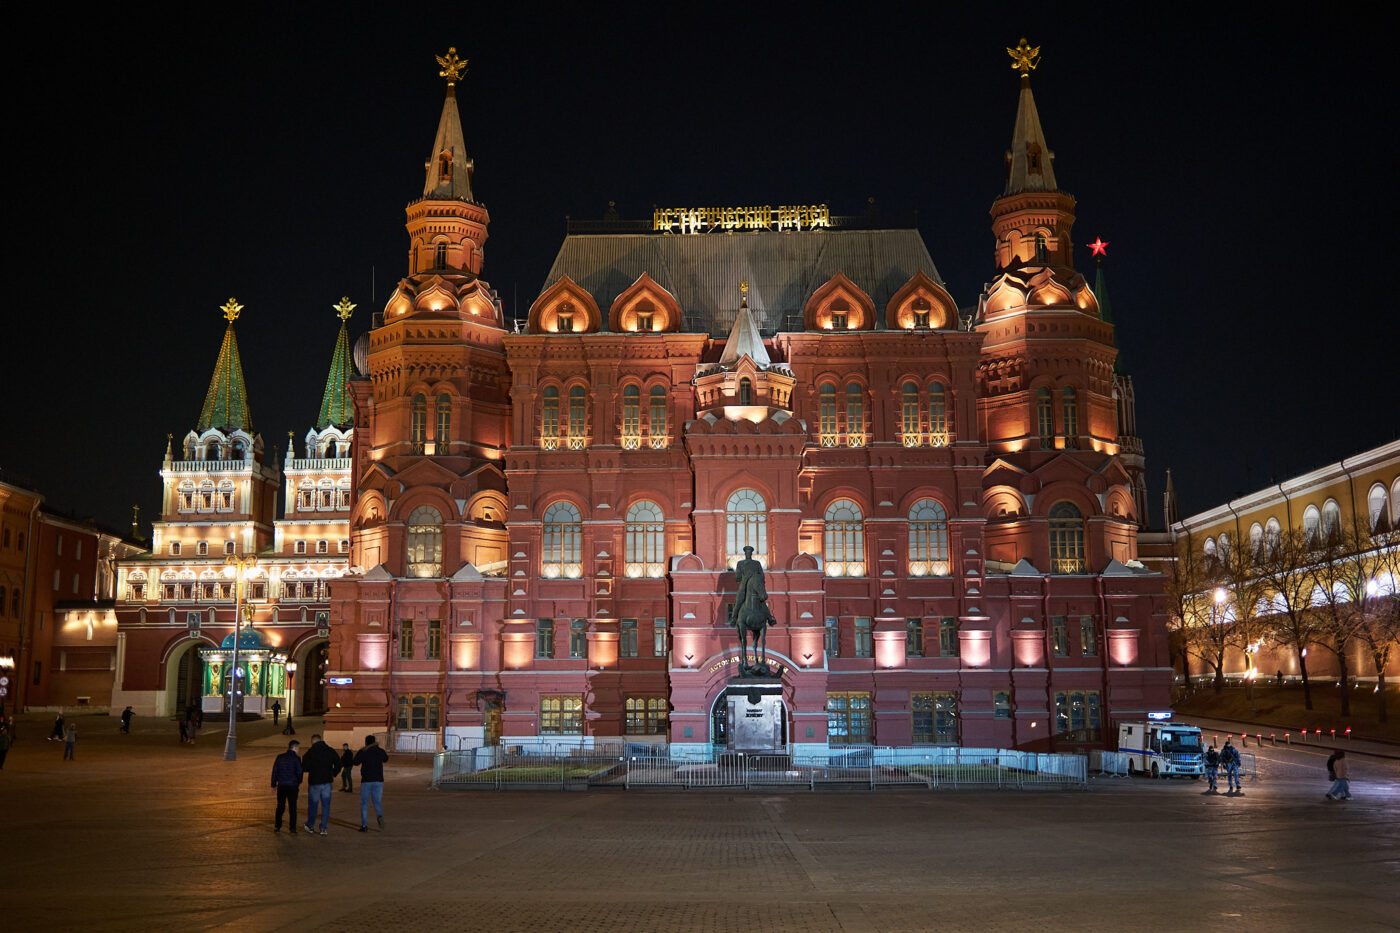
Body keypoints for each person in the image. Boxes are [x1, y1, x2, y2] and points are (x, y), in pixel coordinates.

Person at [300, 733, 342, 836]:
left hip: (315, 782)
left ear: (313, 742)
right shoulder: (330, 750)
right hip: (327, 782)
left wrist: (312, 768)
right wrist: (333, 773)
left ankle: (310, 825)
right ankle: (323, 828)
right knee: (326, 806)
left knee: (313, 805)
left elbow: (304, 767)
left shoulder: (310, 752)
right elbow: (339, 763)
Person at [353, 735, 389, 831]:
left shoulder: (363, 751)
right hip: (378, 780)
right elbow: (386, 759)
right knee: (377, 802)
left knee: (364, 804)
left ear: (366, 742)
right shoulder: (379, 750)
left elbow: (355, 762)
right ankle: (379, 816)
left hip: (366, 780)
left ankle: (364, 826)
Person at [271, 739, 303, 833]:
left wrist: (273, 784)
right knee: (293, 807)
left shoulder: (280, 757)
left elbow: (275, 772)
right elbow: (299, 772)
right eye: (298, 748)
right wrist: (298, 782)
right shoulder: (296, 758)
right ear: (295, 748)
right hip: (292, 786)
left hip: (282, 785)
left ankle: (277, 826)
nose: (299, 750)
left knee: (280, 806)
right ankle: (292, 828)